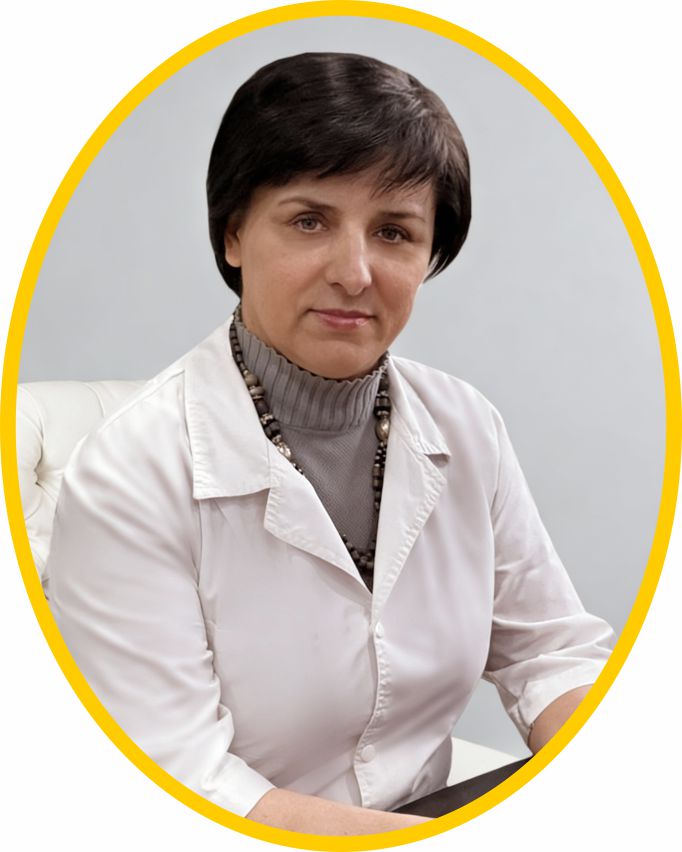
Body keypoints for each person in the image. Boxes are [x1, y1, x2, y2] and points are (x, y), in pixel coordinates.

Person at [47, 52, 615, 835]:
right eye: (309, 221)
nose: (355, 273)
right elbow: (182, 781)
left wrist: (612, 778)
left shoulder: (464, 423)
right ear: (234, 233)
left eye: (394, 232)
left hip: (429, 815)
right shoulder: (128, 472)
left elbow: (548, 652)